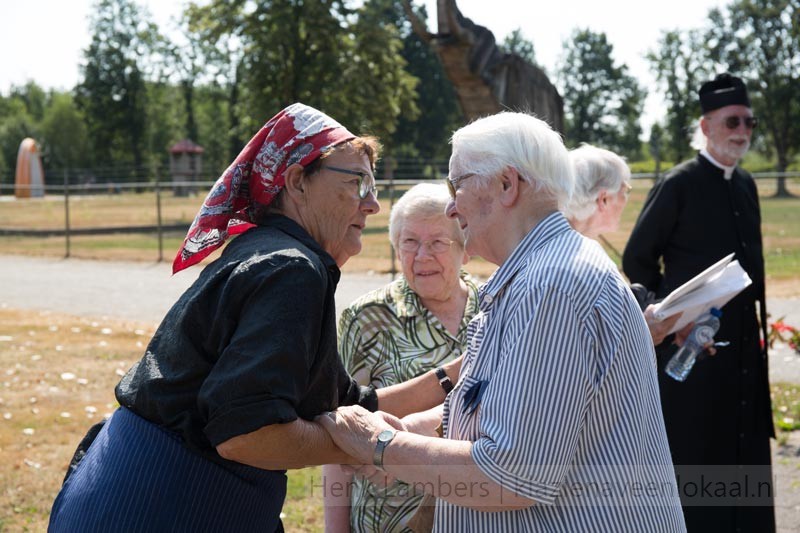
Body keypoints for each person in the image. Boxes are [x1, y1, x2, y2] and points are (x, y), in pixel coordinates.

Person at [318, 111, 686, 531]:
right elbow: (502, 408)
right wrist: (414, 429)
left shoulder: (552, 286)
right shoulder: (538, 275)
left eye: (457, 186)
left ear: (507, 185)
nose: (452, 207)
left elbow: (509, 476)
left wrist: (380, 444)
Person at [49, 102, 392, 532]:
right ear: (297, 181)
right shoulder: (291, 269)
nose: (374, 204)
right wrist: (361, 447)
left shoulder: (268, 252)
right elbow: (246, 435)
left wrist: (450, 375)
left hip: (126, 494)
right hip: (160, 507)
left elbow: (353, 404)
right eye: (358, 182)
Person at [622, 73, 774, 532]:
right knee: (700, 463)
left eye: (748, 121)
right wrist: (672, 320)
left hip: (744, 356)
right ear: (706, 126)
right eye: (732, 121)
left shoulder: (745, 185)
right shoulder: (679, 184)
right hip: (692, 356)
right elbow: (637, 260)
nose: (742, 131)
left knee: (745, 462)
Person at [323, 183, 481, 532]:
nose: (422, 255)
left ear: (465, 249)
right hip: (387, 521)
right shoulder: (366, 318)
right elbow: (340, 429)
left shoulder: (496, 308)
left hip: (478, 515)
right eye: (409, 242)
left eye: (438, 242)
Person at [566, 144, 684, 345]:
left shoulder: (573, 245)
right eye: (626, 189)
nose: (627, 198)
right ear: (603, 199)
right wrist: (642, 330)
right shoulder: (575, 259)